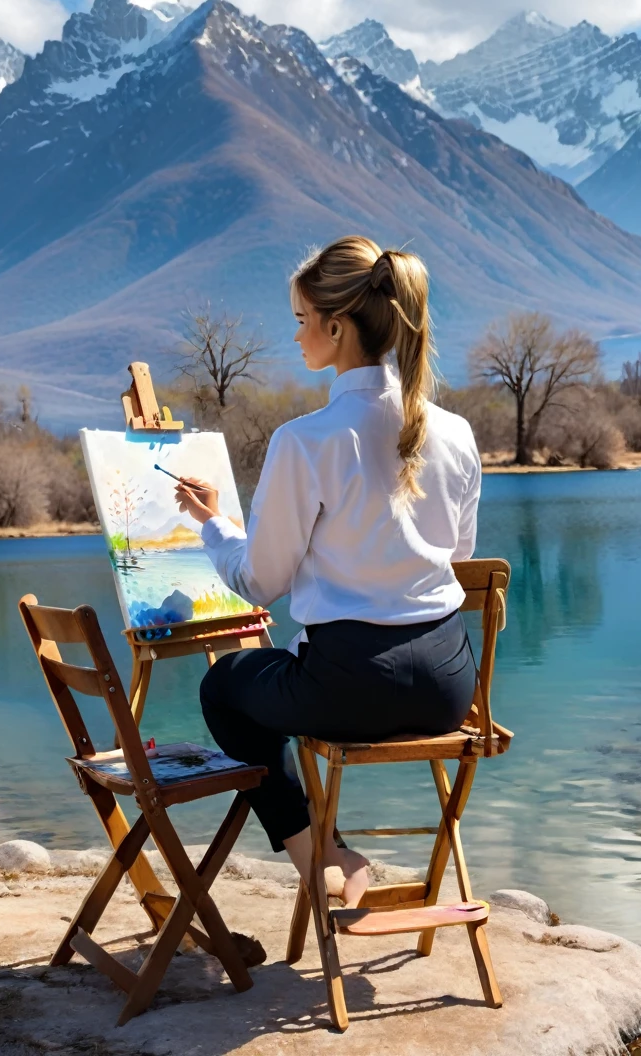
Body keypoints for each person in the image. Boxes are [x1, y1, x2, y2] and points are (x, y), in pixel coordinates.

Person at [174, 235, 481, 907]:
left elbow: (260, 583)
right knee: (278, 677)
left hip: (352, 691)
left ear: (337, 326)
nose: (295, 335)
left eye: (300, 319)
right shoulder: (455, 433)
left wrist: (213, 527)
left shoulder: (306, 441)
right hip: (451, 688)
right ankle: (331, 854)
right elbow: (457, 559)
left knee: (225, 689)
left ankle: (319, 852)